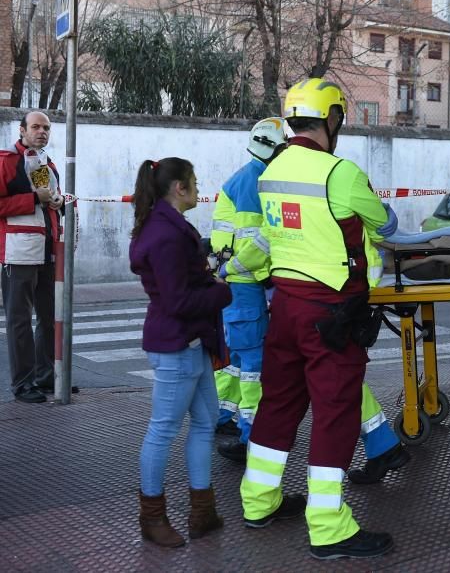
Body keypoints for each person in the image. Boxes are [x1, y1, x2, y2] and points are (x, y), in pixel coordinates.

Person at [240, 77, 395, 560]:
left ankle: (258, 501)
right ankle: (329, 528)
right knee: (336, 414)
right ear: (332, 119)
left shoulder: (270, 170)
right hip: (331, 312)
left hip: (284, 305)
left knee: (277, 405)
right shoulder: (340, 172)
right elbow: (384, 224)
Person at [129, 157, 232, 547]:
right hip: (178, 343)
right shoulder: (167, 234)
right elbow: (177, 300)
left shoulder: (166, 226)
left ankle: (202, 512)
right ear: (179, 188)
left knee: (205, 423)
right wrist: (221, 292)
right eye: (194, 179)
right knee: (163, 430)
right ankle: (152, 517)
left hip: (191, 343)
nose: (198, 185)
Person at [211, 117, 287, 462]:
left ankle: (221, 416)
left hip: (236, 285)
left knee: (236, 360)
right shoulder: (257, 182)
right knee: (254, 362)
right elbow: (258, 242)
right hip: (245, 282)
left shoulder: (246, 176)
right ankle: (251, 435)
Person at [0, 112, 64, 404]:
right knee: (20, 321)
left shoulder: (40, 161)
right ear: (22, 129)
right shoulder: (7, 160)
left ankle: (45, 376)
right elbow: (32, 199)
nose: (42, 132)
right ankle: (23, 384)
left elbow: (46, 198)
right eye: (36, 127)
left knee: (49, 318)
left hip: (47, 252)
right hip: (18, 252)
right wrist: (34, 199)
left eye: (46, 128)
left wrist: (57, 200)